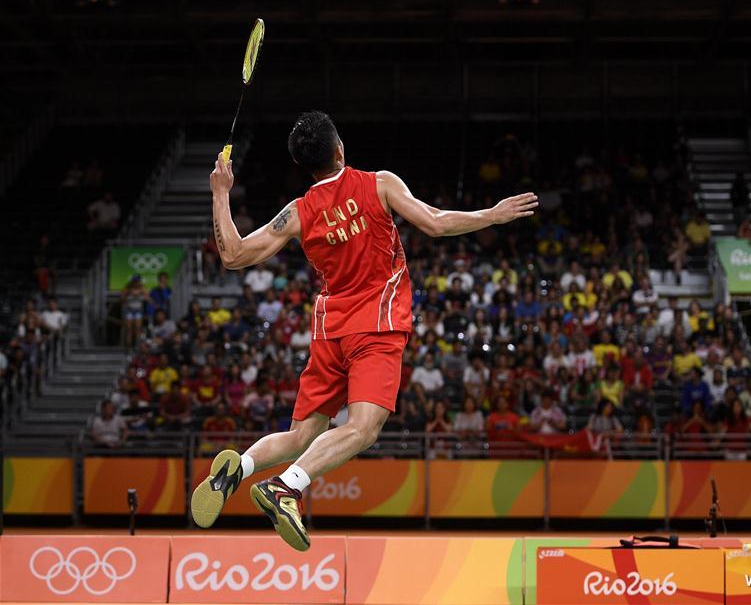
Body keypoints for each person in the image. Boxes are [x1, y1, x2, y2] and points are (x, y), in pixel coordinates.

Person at [190, 111, 538, 550]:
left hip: (329, 327)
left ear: (305, 165)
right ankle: (286, 487)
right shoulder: (380, 184)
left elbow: (233, 254)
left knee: (301, 435)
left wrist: (220, 193)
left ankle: (238, 468)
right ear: (340, 150)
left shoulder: (297, 213)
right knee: (364, 428)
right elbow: (435, 223)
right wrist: (492, 214)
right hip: (376, 324)